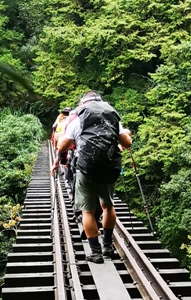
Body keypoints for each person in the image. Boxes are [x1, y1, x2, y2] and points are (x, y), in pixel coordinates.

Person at [52, 90, 132, 263]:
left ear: (83, 104)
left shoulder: (78, 118)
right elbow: (127, 143)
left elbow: (63, 145)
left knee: (87, 210)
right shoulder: (110, 117)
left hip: (86, 169)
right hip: (109, 168)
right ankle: (107, 246)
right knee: (108, 206)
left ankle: (95, 253)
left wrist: (62, 144)